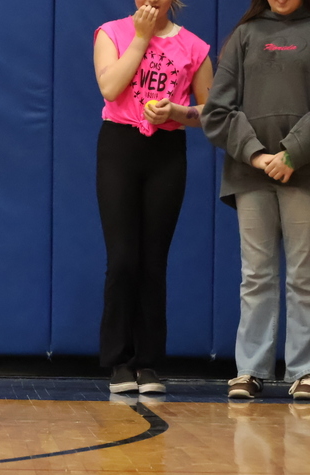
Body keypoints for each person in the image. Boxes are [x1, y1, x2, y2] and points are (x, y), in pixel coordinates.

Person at [93, 0, 213, 394]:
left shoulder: (194, 47)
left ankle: (147, 363)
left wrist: (176, 112)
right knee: (123, 258)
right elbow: (110, 88)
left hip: (165, 153)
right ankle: (119, 361)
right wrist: (141, 39)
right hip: (119, 147)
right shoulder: (111, 33)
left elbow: (211, 112)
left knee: (152, 260)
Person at [202, 0, 310, 401]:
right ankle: (250, 369)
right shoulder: (245, 36)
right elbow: (217, 111)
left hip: (303, 174)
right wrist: (257, 155)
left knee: (304, 276)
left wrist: (293, 153)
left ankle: (304, 370)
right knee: (256, 275)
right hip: (250, 174)